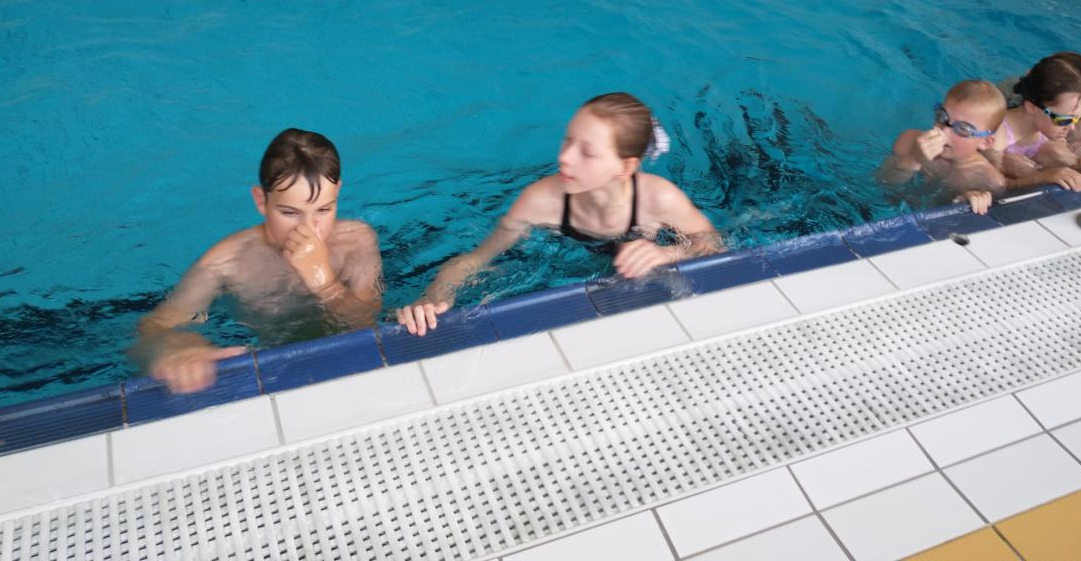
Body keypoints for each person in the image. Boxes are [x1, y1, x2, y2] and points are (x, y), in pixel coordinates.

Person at [396, 92, 722, 336]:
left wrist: (667, 253)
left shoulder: (659, 199)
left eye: (587, 152)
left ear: (626, 167)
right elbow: (474, 261)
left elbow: (714, 244)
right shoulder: (541, 201)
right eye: (568, 141)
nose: (565, 157)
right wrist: (432, 299)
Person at [130, 129, 382, 393]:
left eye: (324, 209)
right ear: (261, 200)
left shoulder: (356, 242)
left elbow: (365, 323)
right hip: (268, 366)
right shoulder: (226, 263)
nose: (308, 229)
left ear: (338, 192)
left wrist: (324, 282)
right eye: (289, 212)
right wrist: (180, 349)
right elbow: (155, 326)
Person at [878, 79, 1008, 214]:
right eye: (942, 116)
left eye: (963, 129)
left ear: (985, 142)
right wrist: (913, 159)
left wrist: (967, 202)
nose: (944, 131)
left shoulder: (989, 182)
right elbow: (882, 183)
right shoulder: (909, 141)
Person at [984, 55, 1081, 192]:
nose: (1072, 127)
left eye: (1078, 118)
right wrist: (1042, 177)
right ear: (1032, 107)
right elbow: (993, 187)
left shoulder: (1045, 127)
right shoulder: (997, 136)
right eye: (1064, 120)